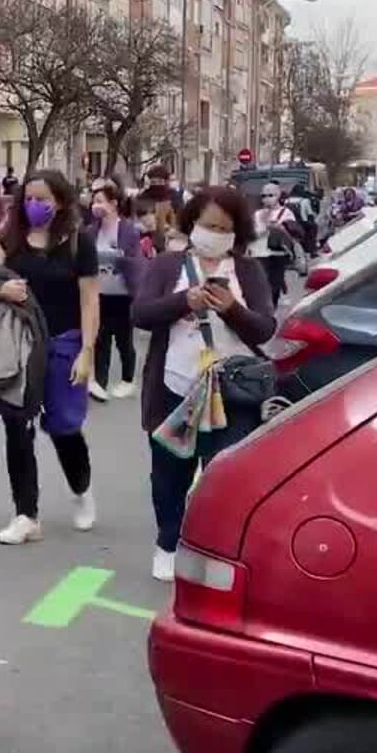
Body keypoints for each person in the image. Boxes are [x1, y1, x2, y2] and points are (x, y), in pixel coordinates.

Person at [132, 186, 277, 583]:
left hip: (233, 393)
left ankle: (217, 549)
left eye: (224, 228)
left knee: (223, 476)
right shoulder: (166, 266)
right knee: (169, 474)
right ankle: (168, 542)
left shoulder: (248, 271)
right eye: (207, 224)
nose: (214, 233)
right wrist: (185, 302)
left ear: (237, 234)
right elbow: (141, 314)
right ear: (192, 223)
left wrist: (231, 309)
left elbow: (265, 327)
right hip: (175, 389)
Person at [0, 170, 100, 546]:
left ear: (61, 202)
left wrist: (87, 352)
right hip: (18, 345)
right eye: (29, 198)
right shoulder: (10, 238)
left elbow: (89, 300)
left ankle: (81, 489)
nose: (34, 205)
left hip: (64, 343)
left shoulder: (78, 244)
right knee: (16, 429)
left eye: (43, 199)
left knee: (64, 427)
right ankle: (26, 514)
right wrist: (0, 288)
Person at [89, 181, 145, 402]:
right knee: (100, 340)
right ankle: (99, 385)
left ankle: (127, 380)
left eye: (100, 201)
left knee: (123, 340)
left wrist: (118, 257)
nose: (96, 206)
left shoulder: (128, 230)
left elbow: (135, 261)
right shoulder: (91, 230)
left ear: (113, 204)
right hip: (99, 293)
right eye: (94, 201)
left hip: (123, 295)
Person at [252, 184, 301, 308]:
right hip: (259, 253)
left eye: (270, 195)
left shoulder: (286, 212)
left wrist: (281, 228)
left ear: (278, 196)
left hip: (279, 253)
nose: (267, 199)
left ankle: (272, 307)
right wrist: (264, 226)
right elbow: (251, 234)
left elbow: (293, 233)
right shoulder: (257, 214)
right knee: (261, 284)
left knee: (274, 285)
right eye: (264, 196)